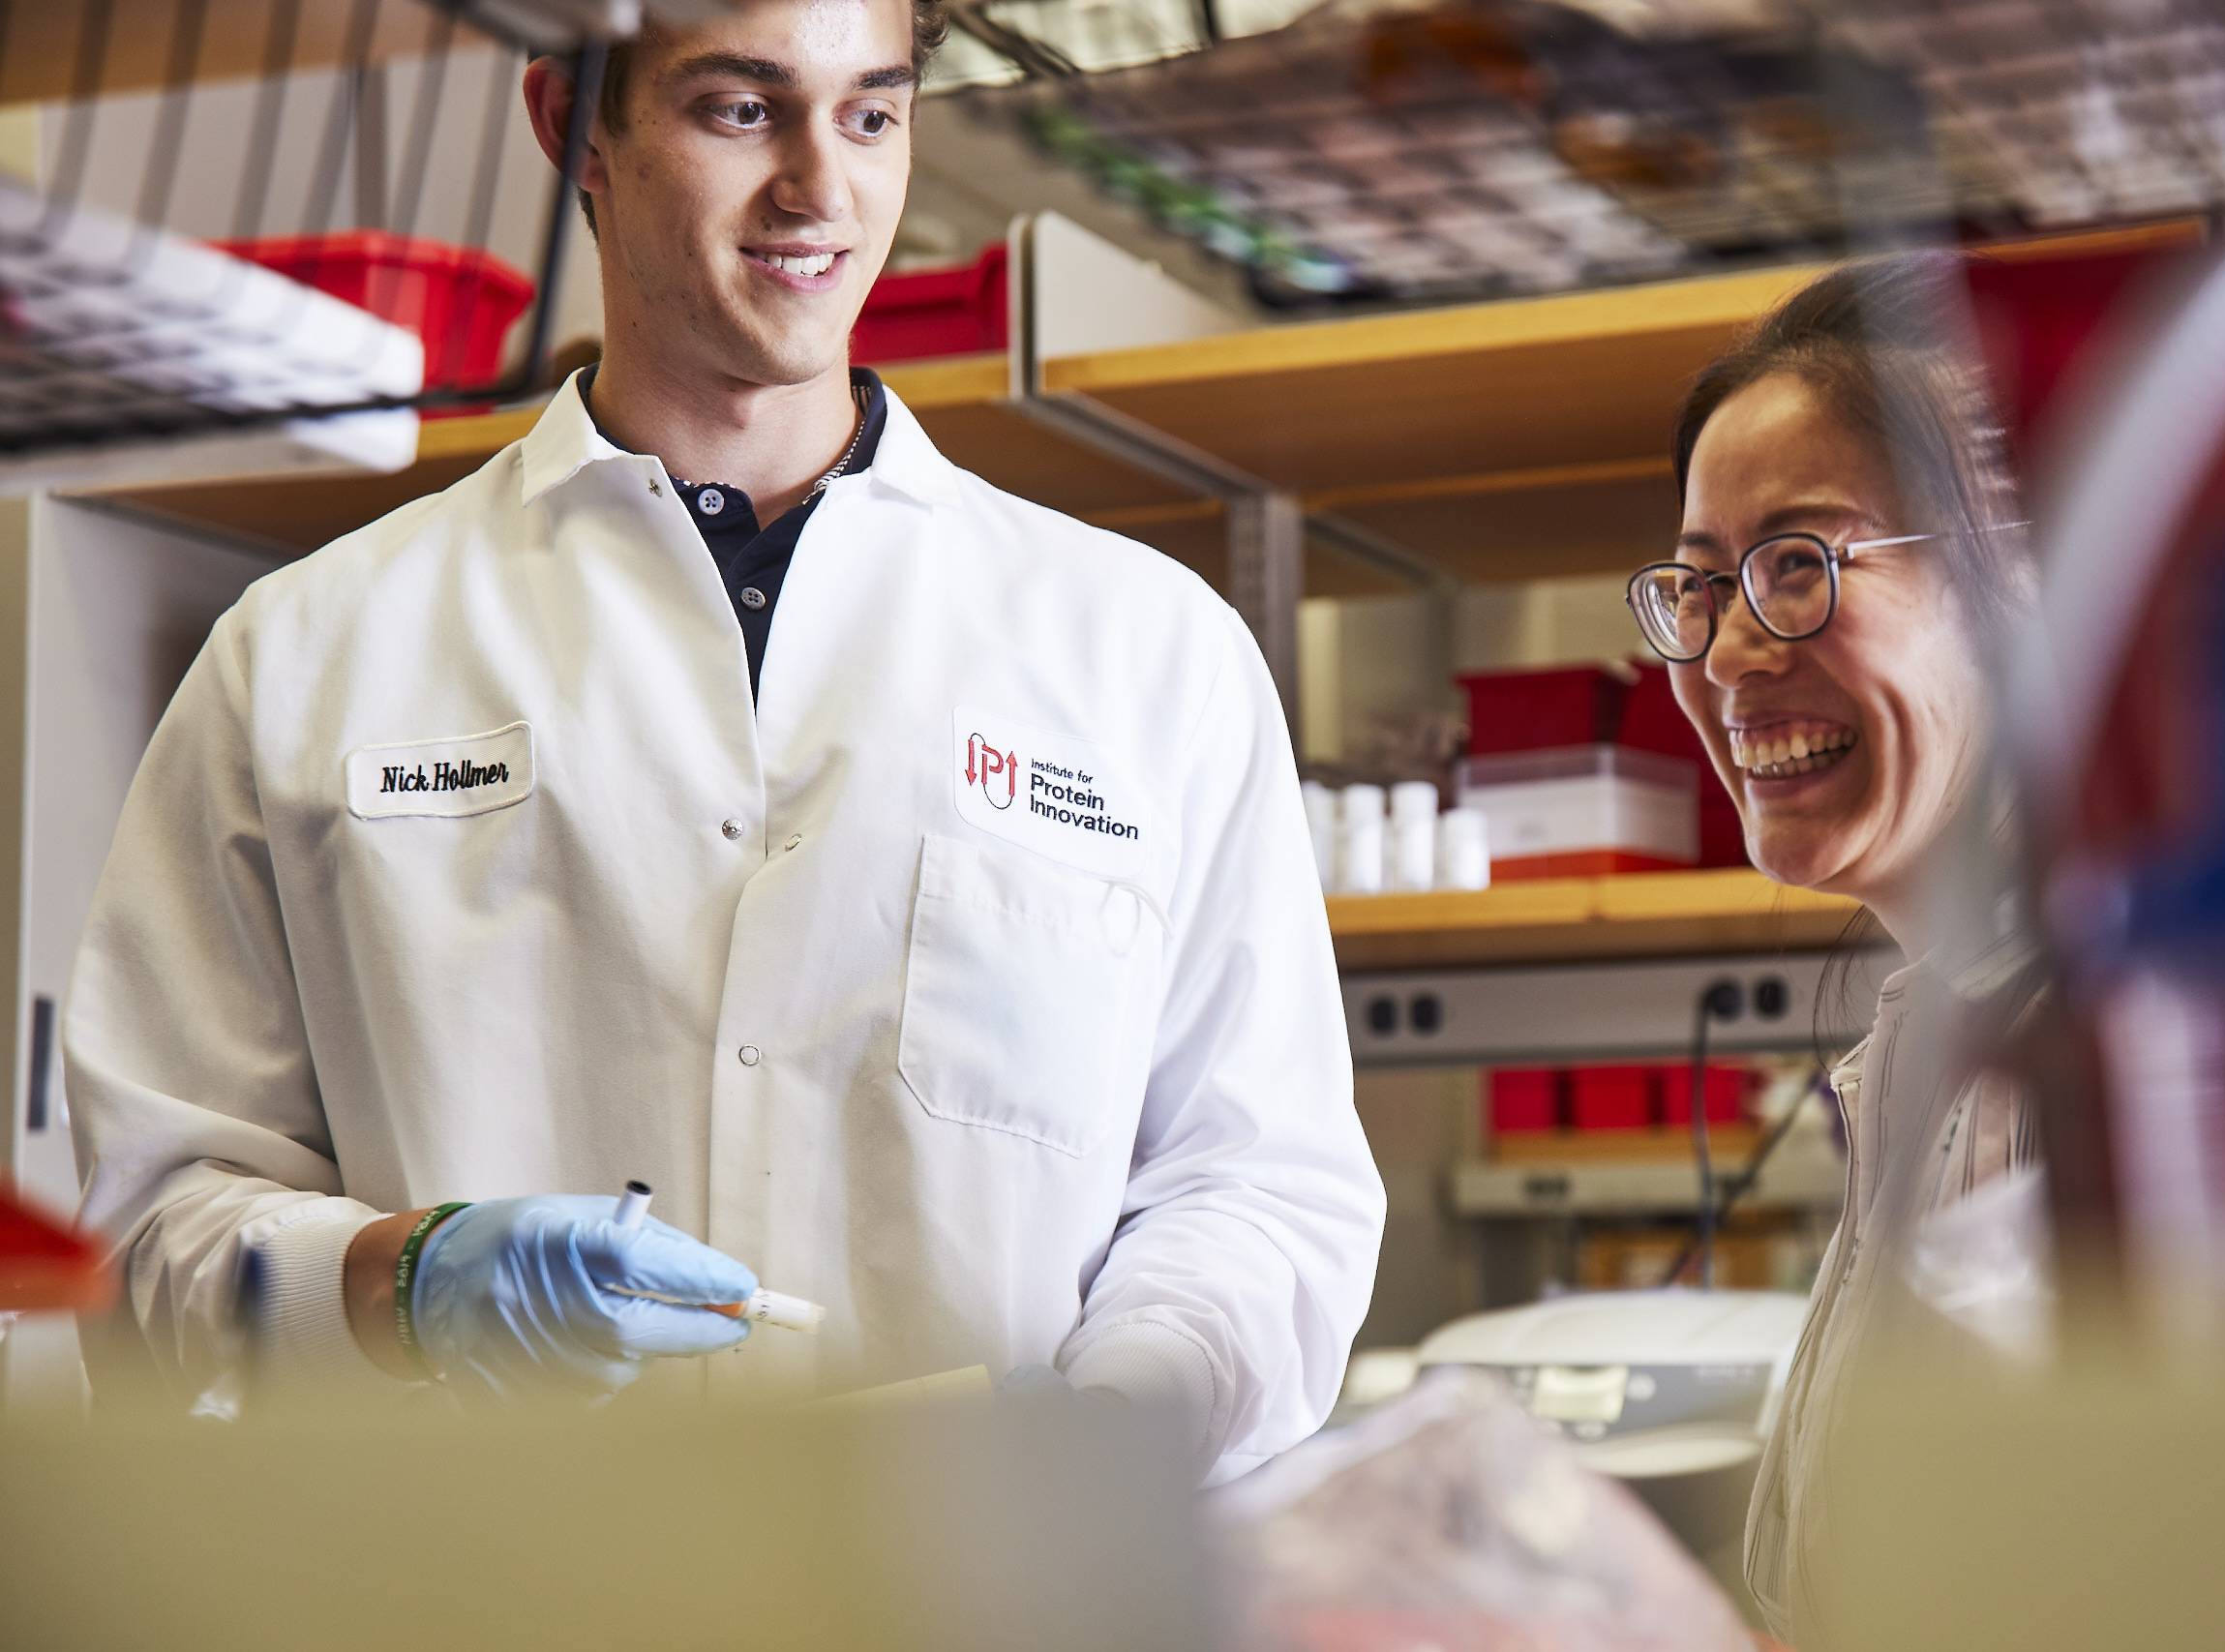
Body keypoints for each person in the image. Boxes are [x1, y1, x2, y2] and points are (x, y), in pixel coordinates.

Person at [67, 0, 1382, 1486]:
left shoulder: (1149, 652)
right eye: (741, 110)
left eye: (871, 113)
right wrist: (401, 1281)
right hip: (486, 1590)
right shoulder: (307, 652)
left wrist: (1121, 1422)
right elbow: (151, 1222)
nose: (822, 189)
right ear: (577, 131)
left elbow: (1259, 1187)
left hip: (991, 1597)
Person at [1625, 254, 2046, 1638]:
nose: (1731, 651)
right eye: (1700, 587)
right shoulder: (1924, 1062)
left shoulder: (2089, 1076)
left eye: (1799, 566)